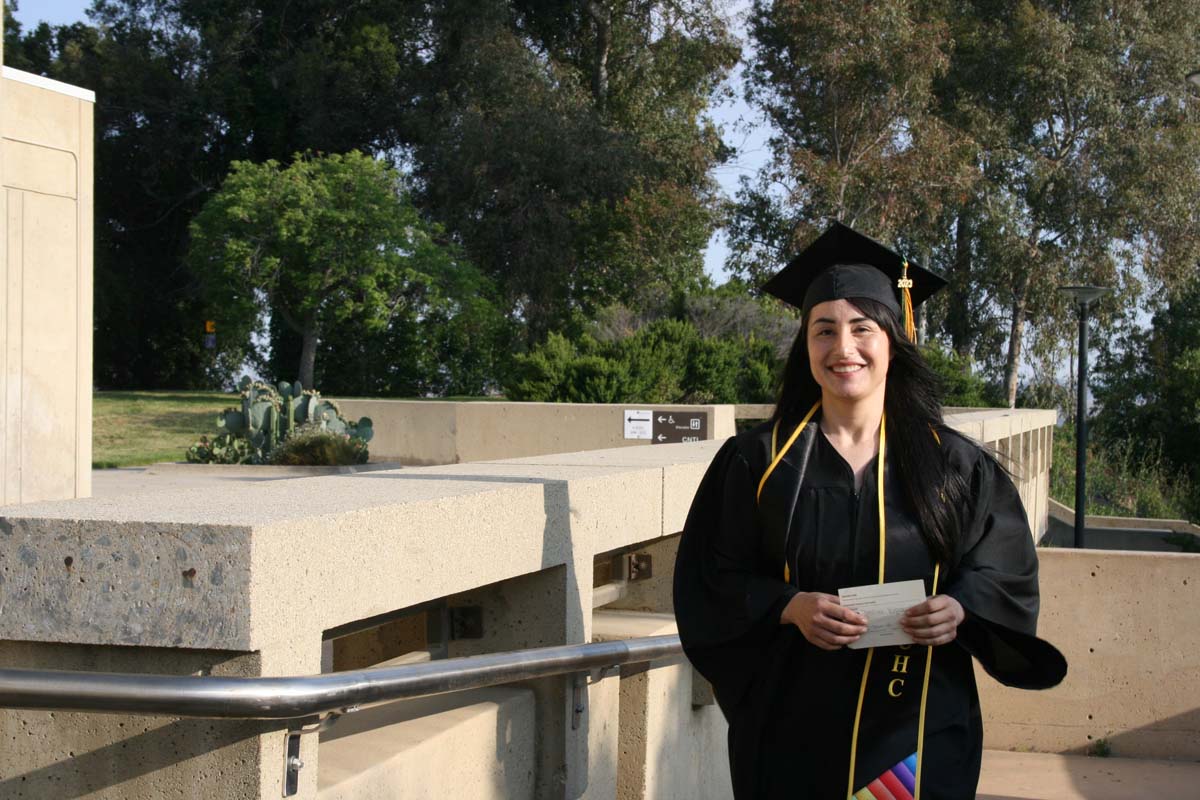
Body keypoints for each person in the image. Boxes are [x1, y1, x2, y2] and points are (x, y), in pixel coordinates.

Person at [673, 222, 1067, 800]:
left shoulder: (953, 467)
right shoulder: (757, 464)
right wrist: (789, 606)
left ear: (891, 339)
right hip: (792, 734)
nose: (843, 349)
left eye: (862, 328)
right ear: (805, 345)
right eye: (823, 331)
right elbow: (711, 579)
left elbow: (1003, 570)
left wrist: (961, 607)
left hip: (913, 736)